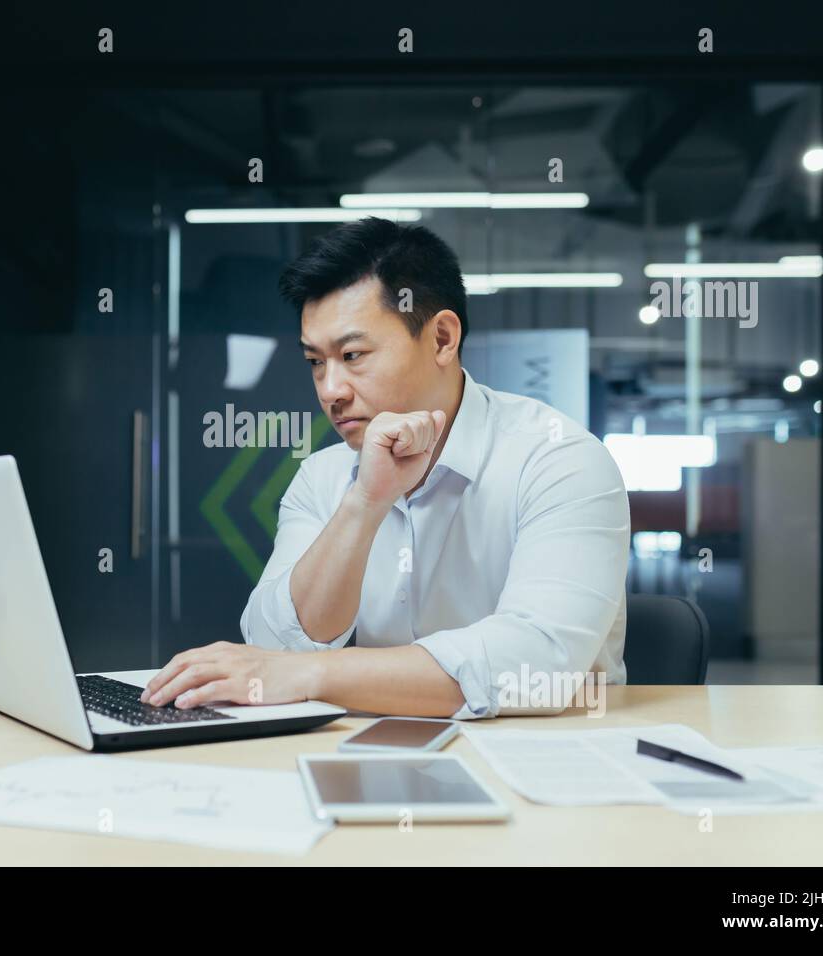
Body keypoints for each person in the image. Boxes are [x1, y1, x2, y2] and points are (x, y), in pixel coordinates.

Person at [142, 216, 630, 718]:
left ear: (442, 338)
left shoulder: (559, 461)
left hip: (547, 763)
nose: (331, 389)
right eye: (315, 362)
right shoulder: (326, 476)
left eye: (353, 354)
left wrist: (312, 675)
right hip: (373, 753)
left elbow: (538, 664)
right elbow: (275, 641)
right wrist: (364, 502)